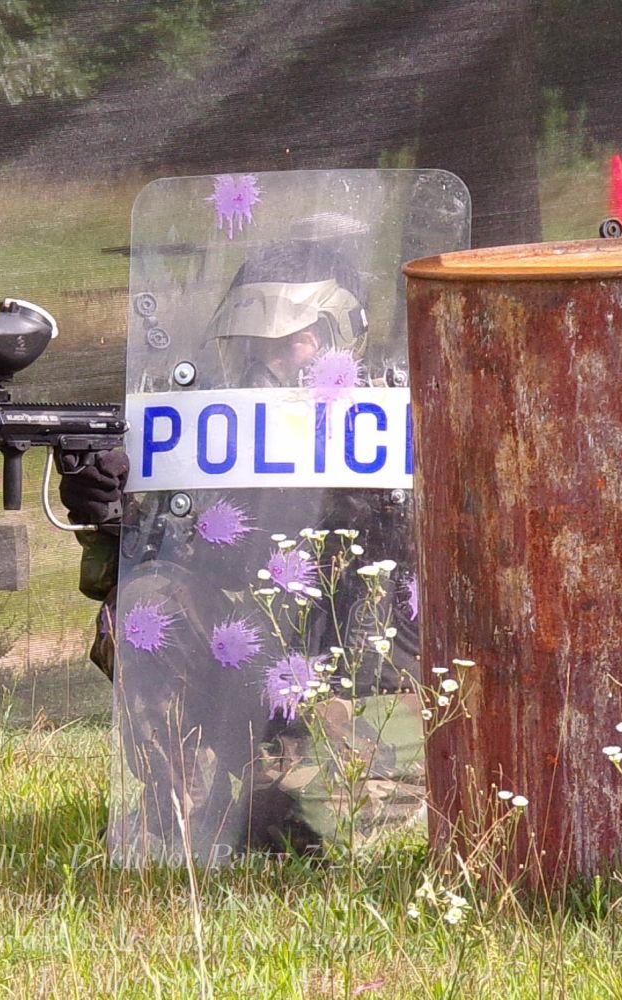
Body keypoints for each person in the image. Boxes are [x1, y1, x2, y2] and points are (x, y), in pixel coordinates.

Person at [62, 239, 426, 863]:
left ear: (344, 335)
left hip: (383, 703)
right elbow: (160, 573)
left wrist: (374, 501)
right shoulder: (222, 432)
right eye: (257, 344)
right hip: (261, 687)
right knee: (145, 607)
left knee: (305, 829)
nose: (271, 362)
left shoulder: (404, 424)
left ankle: (286, 799)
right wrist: (112, 515)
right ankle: (179, 812)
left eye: (294, 341)